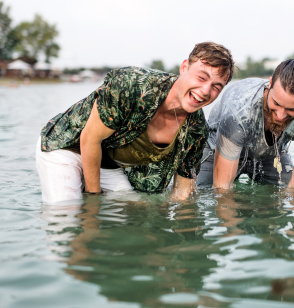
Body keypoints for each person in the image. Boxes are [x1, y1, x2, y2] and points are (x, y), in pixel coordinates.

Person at [36, 42, 235, 204]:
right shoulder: (133, 85)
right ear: (184, 68)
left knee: (137, 212)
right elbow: (89, 138)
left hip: (109, 164)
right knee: (66, 214)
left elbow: (182, 195)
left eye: (216, 86)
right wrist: (93, 204)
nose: (205, 91)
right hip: (68, 146)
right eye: (201, 77)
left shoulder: (197, 130)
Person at [196, 50, 294, 190]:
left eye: (291, 109)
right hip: (216, 148)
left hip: (269, 155)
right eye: (276, 103)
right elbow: (222, 188)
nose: (281, 115)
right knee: (202, 193)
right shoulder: (240, 108)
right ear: (270, 84)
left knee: (282, 195)